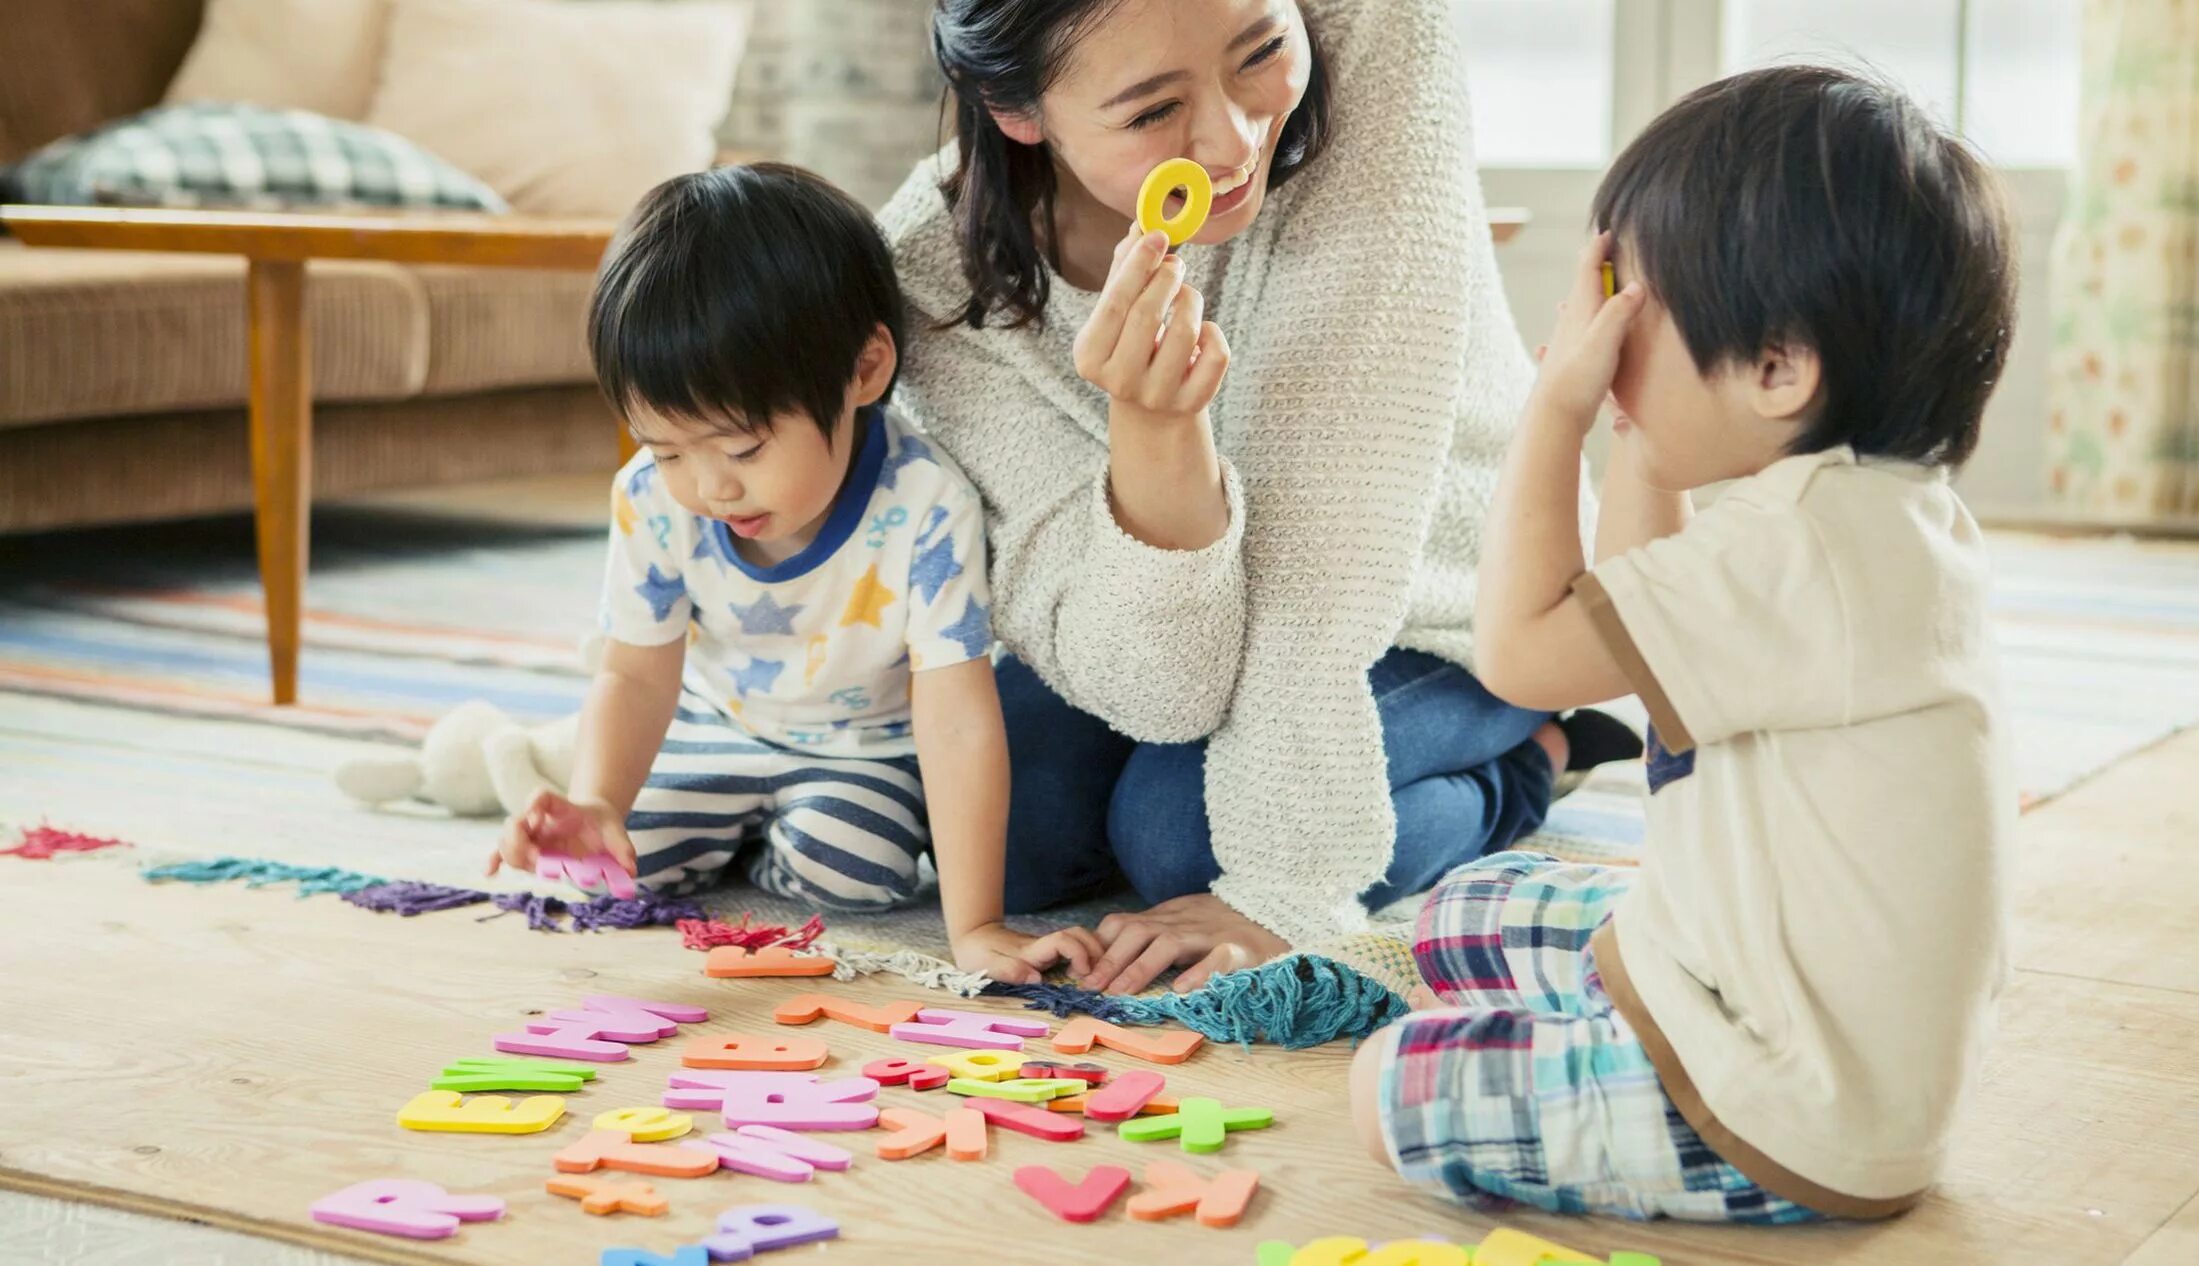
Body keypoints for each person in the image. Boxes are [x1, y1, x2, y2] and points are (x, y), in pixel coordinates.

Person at [1351, 65, 2018, 1222]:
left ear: (1777, 369)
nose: (1602, 329)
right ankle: (1597, 1044)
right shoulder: (1863, 517)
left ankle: (1621, 1092)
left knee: (1383, 1086)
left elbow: (1522, 653)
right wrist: (1648, 443)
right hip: (1754, 982)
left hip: (1788, 1109)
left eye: (1631, 298)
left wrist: (1556, 410)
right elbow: (1630, 606)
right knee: (1471, 909)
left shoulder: (1806, 553)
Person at [878, 0, 1639, 998]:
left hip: (1440, 592)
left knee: (1183, 839)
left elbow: (1325, 527)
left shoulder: (1374, 42)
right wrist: (1155, 439)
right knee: (1000, 826)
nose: (1235, 140)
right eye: (1153, 111)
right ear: (1016, 110)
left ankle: (1528, 754)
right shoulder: (933, 272)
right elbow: (1162, 688)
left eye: (1262, 53)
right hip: (1195, 630)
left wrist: (1285, 884)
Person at [488, 162, 1098, 985]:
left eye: (742, 448)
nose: (711, 486)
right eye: (666, 448)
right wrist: (598, 801)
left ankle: (773, 832)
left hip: (864, 745)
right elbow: (634, 673)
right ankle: (643, 791)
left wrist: (976, 925)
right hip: (717, 723)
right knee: (629, 859)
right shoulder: (651, 500)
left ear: (865, 371)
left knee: (856, 871)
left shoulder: (924, 504)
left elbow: (954, 713)